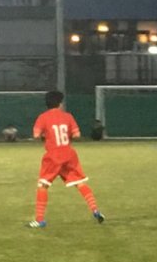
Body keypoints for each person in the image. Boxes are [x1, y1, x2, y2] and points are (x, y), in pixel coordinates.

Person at [28, 90, 104, 228]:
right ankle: (95, 210)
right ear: (59, 103)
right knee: (80, 183)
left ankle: (40, 220)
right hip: (69, 154)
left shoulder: (43, 117)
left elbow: (36, 135)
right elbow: (76, 135)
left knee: (42, 185)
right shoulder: (68, 116)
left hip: (53, 155)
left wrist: (47, 136)